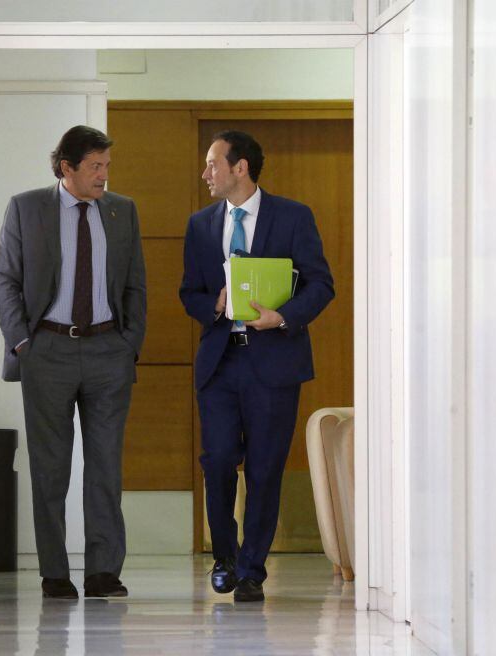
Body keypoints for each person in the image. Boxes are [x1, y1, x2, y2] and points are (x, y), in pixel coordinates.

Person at [0, 125, 146, 600]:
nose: (104, 175)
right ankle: (54, 573)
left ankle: (103, 571)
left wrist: (128, 345)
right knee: (50, 467)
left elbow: (135, 285)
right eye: (95, 166)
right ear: (67, 169)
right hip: (48, 351)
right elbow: (4, 280)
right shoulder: (27, 207)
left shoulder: (122, 210)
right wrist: (23, 343)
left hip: (107, 352)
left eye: (107, 166)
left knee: (105, 466)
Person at [179, 130, 334, 602]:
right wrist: (215, 304)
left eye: (212, 163)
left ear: (239, 167)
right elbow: (190, 292)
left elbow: (320, 284)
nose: (206, 173)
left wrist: (283, 316)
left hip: (274, 362)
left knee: (266, 468)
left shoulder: (293, 216)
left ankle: (251, 570)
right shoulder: (201, 224)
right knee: (220, 460)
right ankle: (224, 558)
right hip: (220, 364)